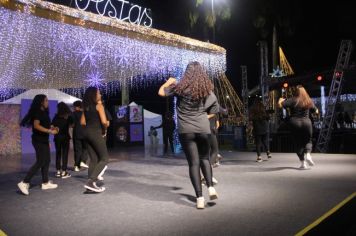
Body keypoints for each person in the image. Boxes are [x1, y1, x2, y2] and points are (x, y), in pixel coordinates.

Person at [158, 61, 219, 209]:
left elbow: (161, 92)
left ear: (187, 73)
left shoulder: (180, 88)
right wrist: (203, 116)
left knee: (193, 163)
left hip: (186, 131)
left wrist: (169, 81)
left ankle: (199, 198)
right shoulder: (206, 89)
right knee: (204, 158)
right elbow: (215, 109)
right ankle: (210, 186)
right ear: (201, 73)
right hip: (203, 129)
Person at [18, 94, 59, 195]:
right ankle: (24, 182)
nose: (47, 102)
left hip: (43, 140)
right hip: (38, 140)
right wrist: (49, 131)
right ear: (41, 102)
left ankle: (45, 183)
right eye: (46, 100)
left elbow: (45, 125)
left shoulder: (43, 112)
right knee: (41, 161)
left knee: (47, 160)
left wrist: (52, 128)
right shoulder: (37, 112)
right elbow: (36, 126)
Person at [278, 85, 317, 169]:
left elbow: (280, 105)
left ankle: (303, 163)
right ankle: (308, 155)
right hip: (306, 122)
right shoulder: (308, 100)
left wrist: (280, 100)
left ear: (295, 92)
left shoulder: (292, 100)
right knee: (308, 141)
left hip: (294, 122)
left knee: (297, 143)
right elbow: (315, 111)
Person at [81, 87, 109, 192]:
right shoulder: (99, 106)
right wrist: (104, 130)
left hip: (86, 133)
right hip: (95, 132)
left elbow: (82, 122)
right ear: (94, 95)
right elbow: (104, 122)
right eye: (99, 93)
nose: (100, 95)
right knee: (105, 158)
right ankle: (91, 181)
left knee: (93, 159)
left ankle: (90, 186)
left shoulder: (86, 107)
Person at [52, 102, 72, 178]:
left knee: (58, 153)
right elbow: (72, 125)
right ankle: (64, 172)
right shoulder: (68, 116)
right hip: (65, 137)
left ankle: (58, 171)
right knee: (65, 154)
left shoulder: (56, 116)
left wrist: (56, 128)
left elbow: (52, 125)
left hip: (57, 137)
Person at [72, 100, 89, 172]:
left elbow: (71, 124)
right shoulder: (85, 113)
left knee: (77, 150)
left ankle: (76, 166)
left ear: (77, 107)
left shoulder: (73, 114)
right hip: (85, 133)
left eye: (74, 106)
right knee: (85, 148)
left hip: (76, 133)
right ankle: (83, 161)